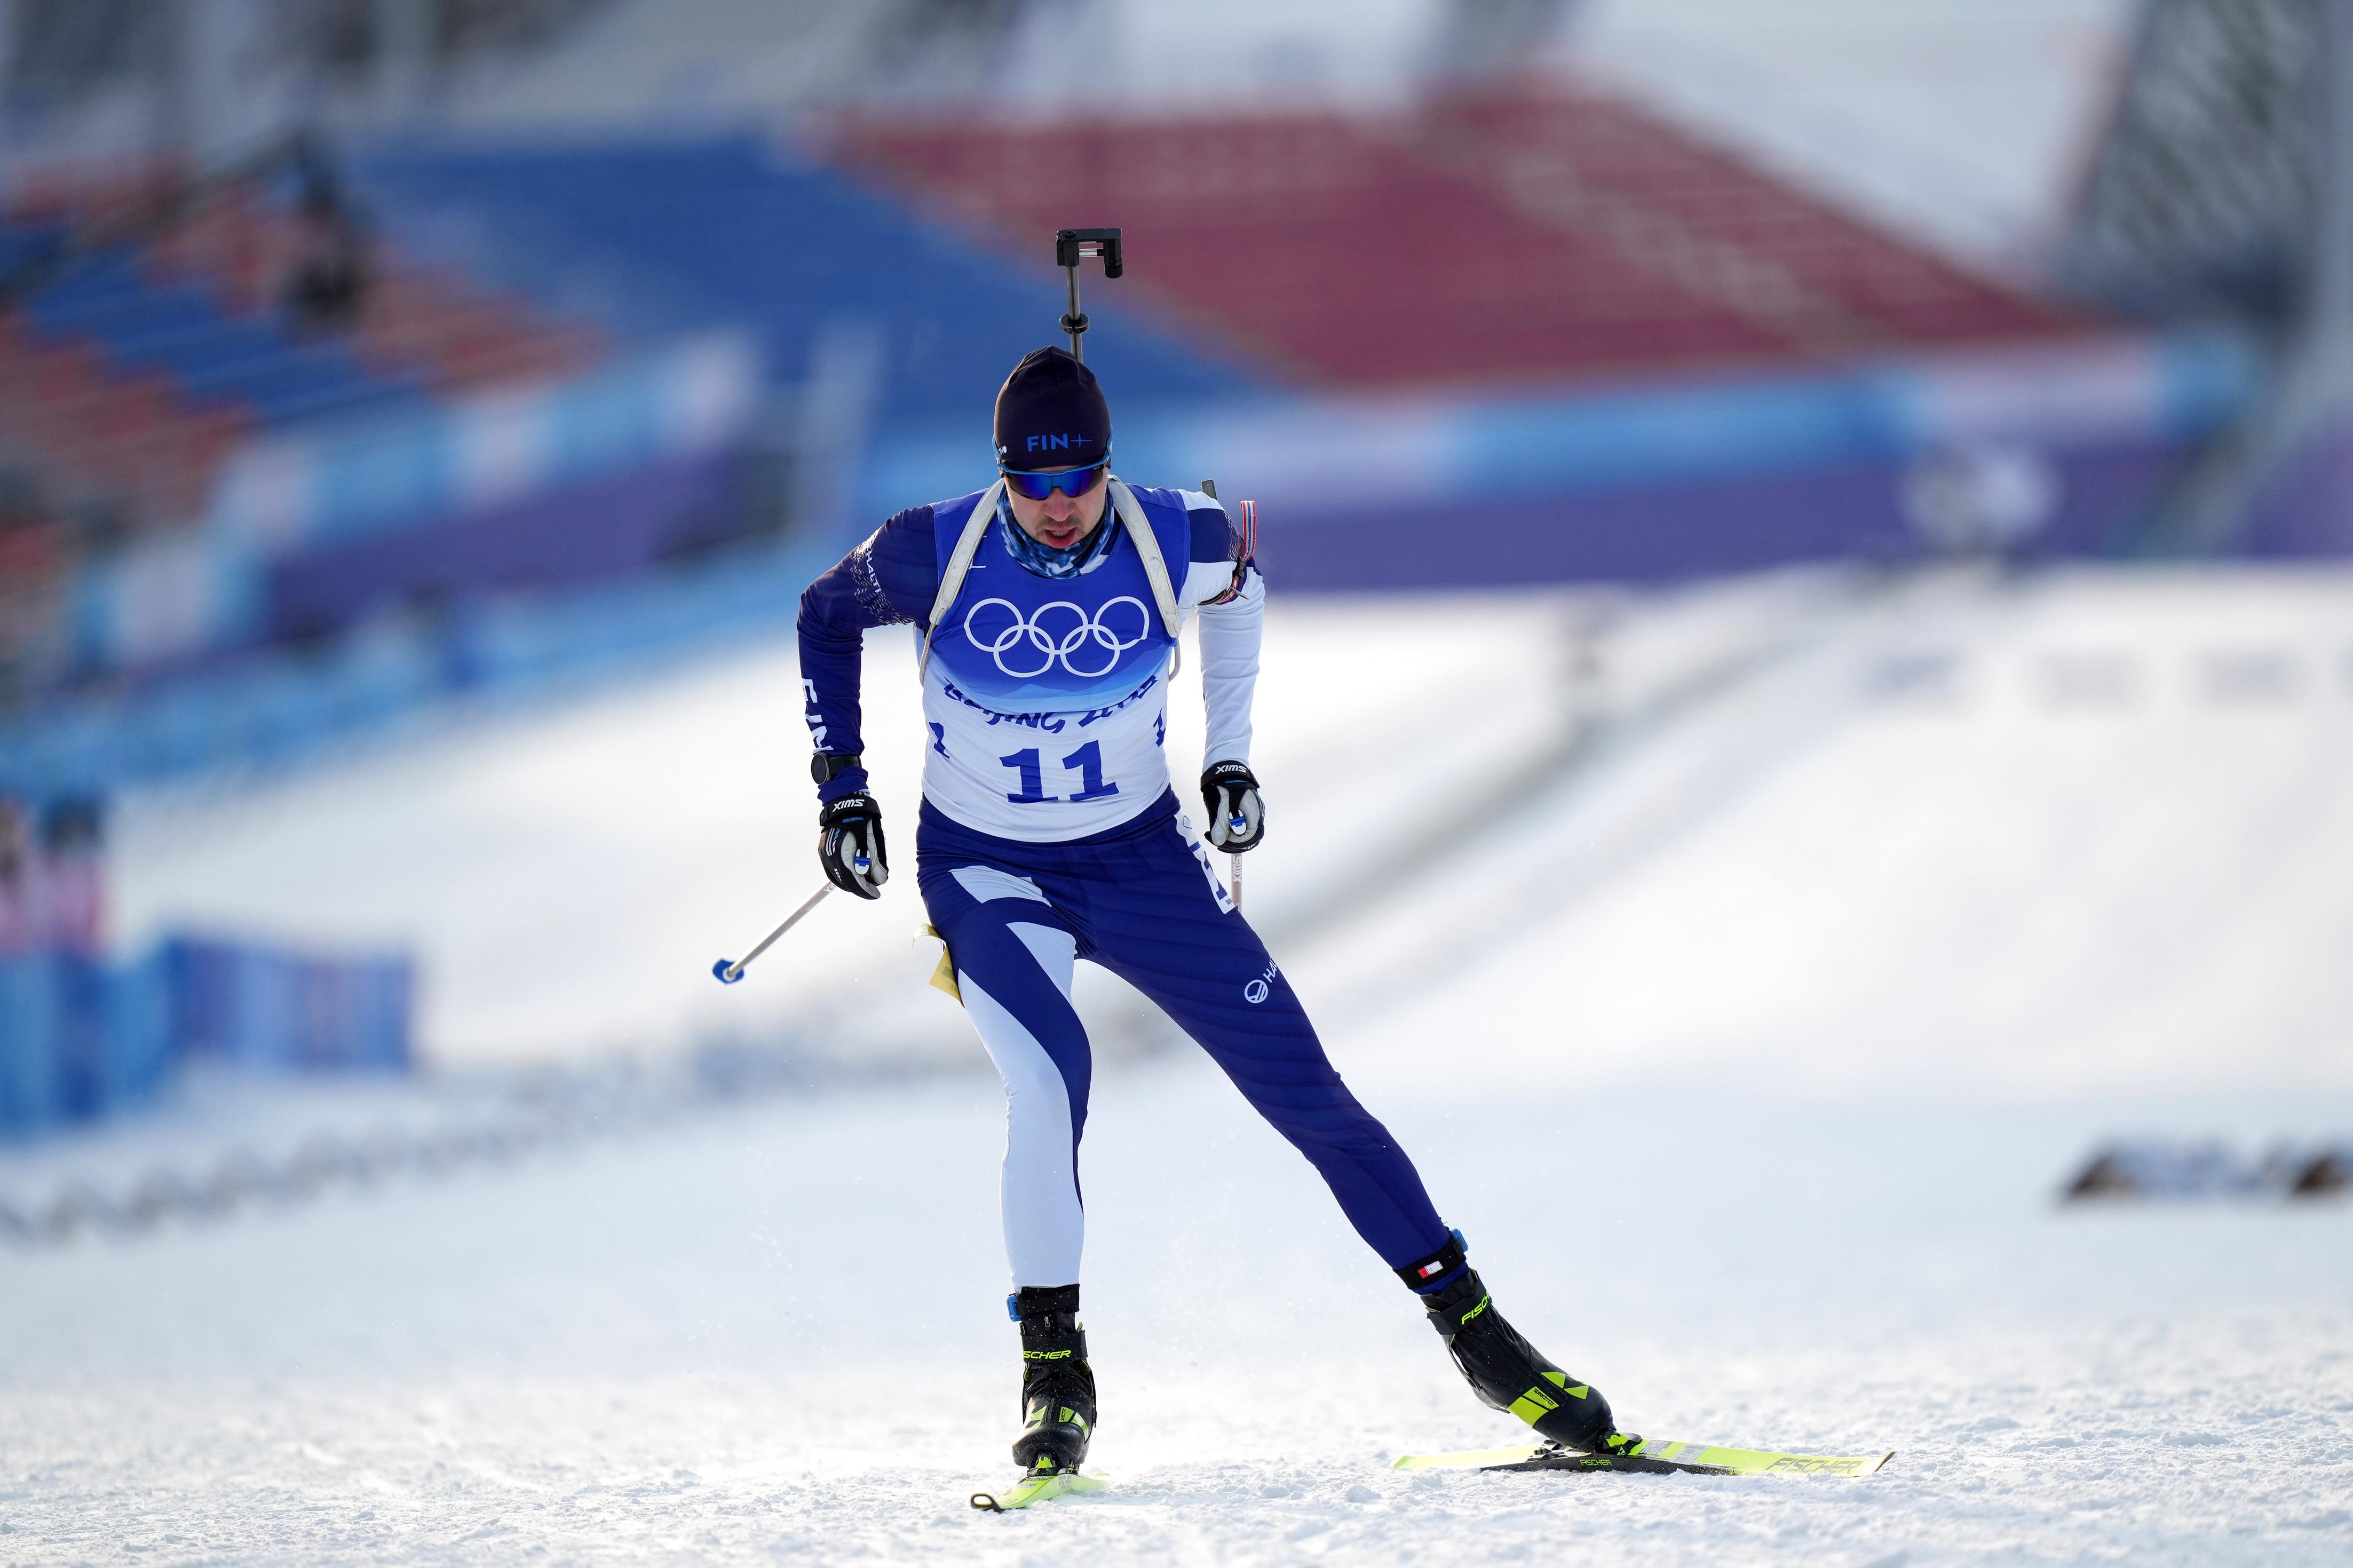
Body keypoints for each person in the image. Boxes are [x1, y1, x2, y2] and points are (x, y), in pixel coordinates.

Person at [795, 347, 1633, 1478]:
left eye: (1078, 479)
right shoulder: (930, 547)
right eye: (1032, 483)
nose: (1056, 505)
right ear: (1003, 474)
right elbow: (824, 614)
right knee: (1049, 1079)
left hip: (1142, 861)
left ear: (1107, 465)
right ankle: (1055, 1370)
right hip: (989, 866)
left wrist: (1228, 759)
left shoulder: (1175, 534)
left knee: (1307, 1091)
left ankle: (1482, 1340)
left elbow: (1242, 588)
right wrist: (842, 787)